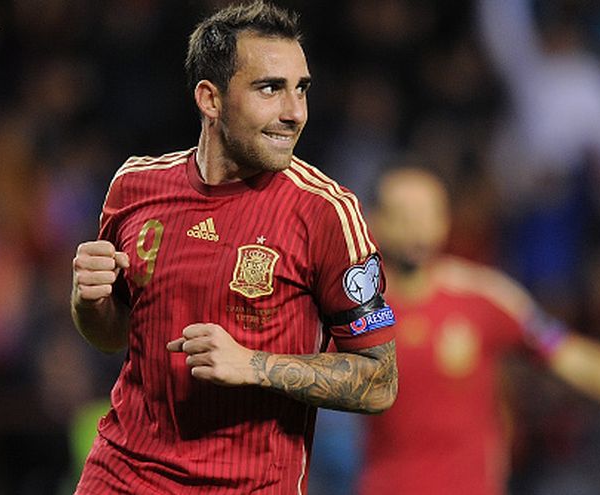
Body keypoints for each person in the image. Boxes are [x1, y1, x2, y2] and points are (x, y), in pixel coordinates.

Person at [69, 2, 397, 493]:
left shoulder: (327, 213)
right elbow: (113, 334)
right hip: (122, 473)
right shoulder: (134, 186)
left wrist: (254, 365)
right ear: (210, 99)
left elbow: (380, 381)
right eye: (270, 88)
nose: (295, 113)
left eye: (301, 89)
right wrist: (88, 301)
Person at [356, 167, 600, 495]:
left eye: (428, 213)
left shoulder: (484, 298)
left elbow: (575, 359)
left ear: (446, 219)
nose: (417, 227)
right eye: (402, 214)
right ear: (373, 220)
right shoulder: (346, 312)